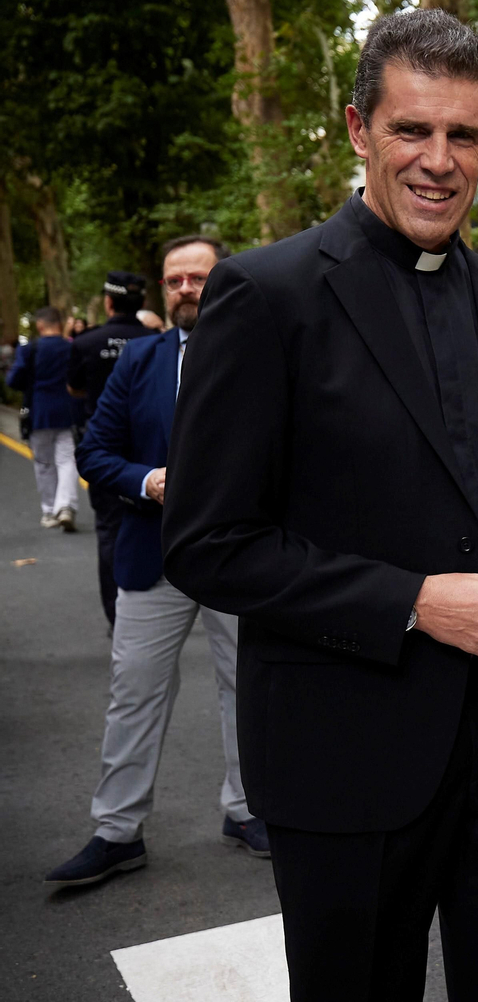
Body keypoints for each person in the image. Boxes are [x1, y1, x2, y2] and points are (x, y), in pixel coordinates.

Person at [160, 9, 478, 1001]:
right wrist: (412, 600)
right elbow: (210, 542)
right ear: (358, 130)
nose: (439, 160)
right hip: (344, 750)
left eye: (463, 134)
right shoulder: (266, 295)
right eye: (412, 130)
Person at [45, 236, 265, 888]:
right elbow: (96, 452)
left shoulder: (264, 348)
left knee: (246, 687)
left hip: (240, 556)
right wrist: (148, 482)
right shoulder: (139, 359)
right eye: (175, 279)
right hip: (153, 554)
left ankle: (247, 809)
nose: (187, 287)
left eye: (200, 276)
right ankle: (116, 831)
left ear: (225, 279)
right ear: (162, 290)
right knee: (134, 691)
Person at [70, 271, 162, 629]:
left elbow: (74, 389)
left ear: (108, 302)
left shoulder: (87, 342)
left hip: (106, 448)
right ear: (142, 305)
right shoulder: (158, 341)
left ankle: (118, 614)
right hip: (154, 447)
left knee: (109, 530)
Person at [7, 306, 80, 531]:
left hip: (38, 412)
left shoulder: (30, 349)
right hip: (68, 411)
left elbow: (14, 379)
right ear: (59, 324)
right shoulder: (71, 348)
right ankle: (65, 505)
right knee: (67, 460)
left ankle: (49, 510)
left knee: (44, 463)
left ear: (40, 325)